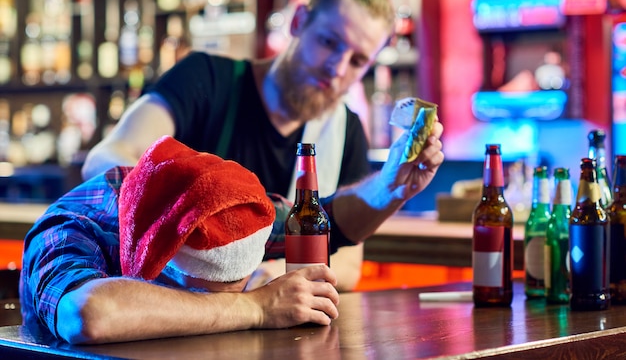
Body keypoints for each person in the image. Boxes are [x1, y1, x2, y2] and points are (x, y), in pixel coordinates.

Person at [80, 0, 445, 291]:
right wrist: (191, 203)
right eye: (329, 42)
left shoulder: (345, 130)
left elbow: (349, 264)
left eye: (357, 60)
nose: (337, 68)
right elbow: (105, 158)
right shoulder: (206, 79)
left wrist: (269, 275)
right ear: (299, 21)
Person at [22, 133, 441, 344]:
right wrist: (254, 307)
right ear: (162, 256)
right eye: (200, 295)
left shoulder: (226, 204)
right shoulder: (75, 225)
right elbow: (88, 314)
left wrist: (393, 186)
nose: (217, 302)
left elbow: (326, 219)